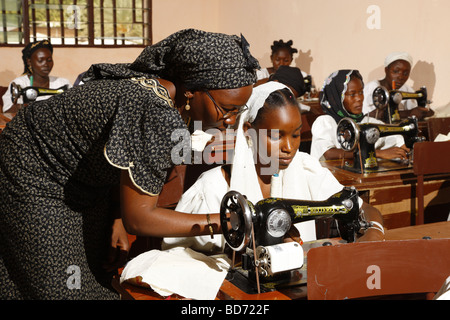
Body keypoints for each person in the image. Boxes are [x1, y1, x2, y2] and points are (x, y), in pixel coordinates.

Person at [0, 29, 259, 299]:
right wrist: (224, 223)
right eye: (226, 109)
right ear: (193, 92)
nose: (230, 121)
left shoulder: (167, 95)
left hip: (83, 177)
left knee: (96, 274)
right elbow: (140, 218)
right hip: (32, 170)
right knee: (64, 286)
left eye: (238, 111)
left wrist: (116, 216)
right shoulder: (155, 111)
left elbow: (121, 159)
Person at [162, 82, 385, 253]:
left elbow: (362, 208)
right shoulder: (213, 188)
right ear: (249, 131)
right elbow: (176, 256)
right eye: (277, 136)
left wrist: (373, 232)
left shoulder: (305, 168)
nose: (289, 147)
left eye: (296, 134)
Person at [311, 69, 409, 161]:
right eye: (352, 94)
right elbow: (328, 154)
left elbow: (395, 139)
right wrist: (377, 153)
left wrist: (403, 149)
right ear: (336, 98)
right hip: (327, 176)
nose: (359, 98)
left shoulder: (369, 122)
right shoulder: (326, 122)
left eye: (361, 92)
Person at [2, 39, 72, 113]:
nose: (46, 64)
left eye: (49, 60)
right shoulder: (19, 84)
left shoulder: (62, 83)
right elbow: (7, 113)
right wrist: (20, 106)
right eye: (40, 60)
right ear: (29, 61)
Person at [362, 52, 434, 121]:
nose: (400, 77)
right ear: (386, 70)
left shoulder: (406, 89)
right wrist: (409, 113)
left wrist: (424, 111)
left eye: (405, 73)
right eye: (396, 71)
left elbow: (417, 110)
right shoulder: (372, 88)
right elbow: (371, 116)